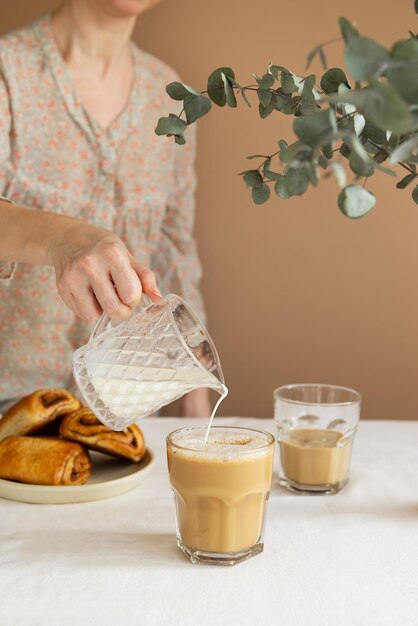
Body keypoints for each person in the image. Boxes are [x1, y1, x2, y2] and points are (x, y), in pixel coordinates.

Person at [0, 0, 211, 416]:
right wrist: (65, 239)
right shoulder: (9, 73)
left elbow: (174, 249)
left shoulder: (171, 98)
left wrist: (196, 388)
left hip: (118, 420)